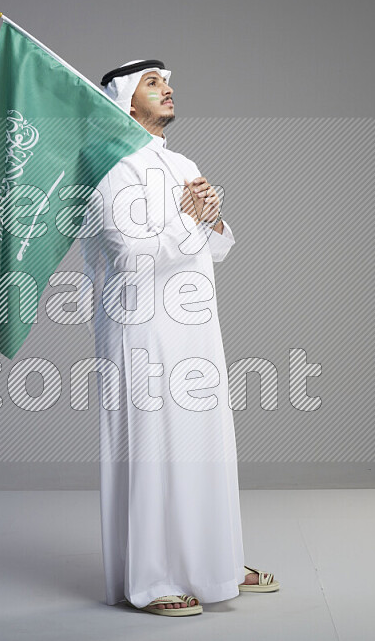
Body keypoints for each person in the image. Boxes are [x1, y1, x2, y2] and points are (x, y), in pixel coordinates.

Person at [80, 60, 279, 616]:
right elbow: (130, 255)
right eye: (152, 83)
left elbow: (210, 248)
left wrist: (213, 219)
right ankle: (153, 579)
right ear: (123, 101)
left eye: (167, 82)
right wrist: (190, 220)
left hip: (195, 330)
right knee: (154, 449)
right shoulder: (108, 167)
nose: (167, 90)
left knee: (204, 446)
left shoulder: (182, 162)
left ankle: (214, 561)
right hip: (141, 330)